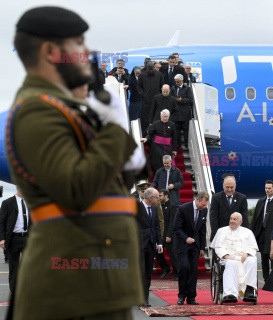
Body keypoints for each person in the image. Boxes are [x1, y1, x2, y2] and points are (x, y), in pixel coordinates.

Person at [7, 6, 145, 319]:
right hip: (71, 288)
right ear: (50, 51)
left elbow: (104, 186)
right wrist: (113, 131)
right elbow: (76, 188)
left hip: (94, 283)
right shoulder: (36, 111)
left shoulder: (65, 110)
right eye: (79, 43)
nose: (86, 52)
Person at [210, 212, 259, 303]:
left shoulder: (248, 232)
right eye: (231, 219)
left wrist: (247, 253)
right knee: (231, 263)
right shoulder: (221, 231)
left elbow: (253, 247)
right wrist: (226, 255)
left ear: (241, 222)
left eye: (235, 219)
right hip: (227, 258)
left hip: (243, 258)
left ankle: (249, 290)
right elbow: (218, 247)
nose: (232, 221)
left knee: (253, 260)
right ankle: (230, 293)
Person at [173, 191, 210, 305]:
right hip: (183, 243)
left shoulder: (204, 210)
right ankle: (181, 296)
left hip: (195, 244)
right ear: (197, 200)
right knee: (184, 268)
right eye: (203, 204)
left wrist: (202, 247)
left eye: (206, 205)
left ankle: (191, 297)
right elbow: (176, 228)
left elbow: (202, 229)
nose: (204, 207)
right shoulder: (183, 208)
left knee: (193, 270)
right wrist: (186, 238)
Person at [250, 180, 273, 281]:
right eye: (266, 188)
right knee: (263, 258)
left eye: (269, 188)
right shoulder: (261, 201)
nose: (267, 190)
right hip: (262, 234)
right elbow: (255, 219)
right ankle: (266, 279)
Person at [0, 187, 32, 292]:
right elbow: (1, 222)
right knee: (13, 269)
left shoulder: (30, 203)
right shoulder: (7, 203)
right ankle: (14, 294)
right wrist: (2, 238)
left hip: (27, 238)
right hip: (13, 239)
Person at [137, 188, 163, 307]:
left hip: (151, 244)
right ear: (150, 198)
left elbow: (156, 226)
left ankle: (145, 298)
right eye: (157, 197)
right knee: (140, 272)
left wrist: (159, 243)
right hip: (139, 244)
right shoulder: (136, 207)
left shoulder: (153, 208)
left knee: (148, 272)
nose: (158, 199)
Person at [210, 175, 249, 240]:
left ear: (235, 186)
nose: (229, 190)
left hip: (237, 237)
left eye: (231, 187)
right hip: (220, 236)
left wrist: (245, 235)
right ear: (223, 186)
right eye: (227, 187)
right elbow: (213, 219)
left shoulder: (242, 198)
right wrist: (217, 235)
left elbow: (244, 219)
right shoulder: (216, 198)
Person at [137, 60, 164, 134]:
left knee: (156, 117)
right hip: (146, 100)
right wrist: (142, 94)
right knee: (145, 118)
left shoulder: (159, 74)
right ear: (146, 68)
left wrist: (160, 95)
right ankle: (144, 134)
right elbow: (139, 86)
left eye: (152, 69)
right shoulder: (142, 75)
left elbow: (162, 85)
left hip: (157, 100)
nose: (151, 70)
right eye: (149, 69)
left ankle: (156, 133)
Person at [159, 189, 179, 279]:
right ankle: (166, 269)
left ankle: (178, 273)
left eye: (161, 195)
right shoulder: (160, 207)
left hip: (169, 235)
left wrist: (169, 235)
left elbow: (172, 222)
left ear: (166, 196)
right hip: (161, 235)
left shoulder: (172, 207)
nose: (159, 197)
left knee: (172, 255)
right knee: (157, 253)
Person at [171, 74, 194, 149]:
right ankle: (178, 144)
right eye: (175, 82)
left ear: (181, 81)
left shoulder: (187, 88)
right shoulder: (173, 88)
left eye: (178, 82)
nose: (176, 83)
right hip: (176, 113)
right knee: (176, 130)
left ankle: (187, 144)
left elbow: (190, 100)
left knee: (186, 130)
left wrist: (182, 100)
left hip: (185, 113)